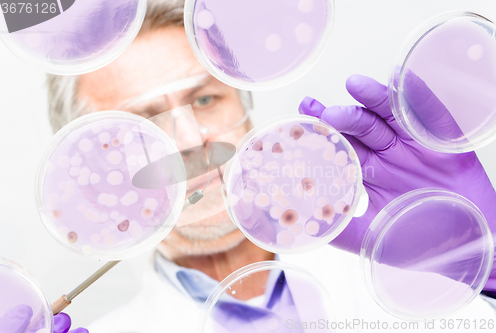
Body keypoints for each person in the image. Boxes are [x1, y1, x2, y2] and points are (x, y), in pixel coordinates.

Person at [45, 0, 496, 332]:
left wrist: (490, 269)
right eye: (144, 126)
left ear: (245, 107)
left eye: (204, 100)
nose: (188, 140)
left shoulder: (415, 267)